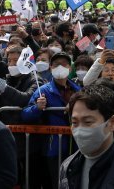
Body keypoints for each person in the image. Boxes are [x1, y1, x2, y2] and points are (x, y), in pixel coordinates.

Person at [22, 52, 80, 189]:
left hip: (78, 146)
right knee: (57, 182)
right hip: (54, 147)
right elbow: (25, 114)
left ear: (70, 68)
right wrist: (37, 108)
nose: (60, 67)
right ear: (51, 68)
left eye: (64, 64)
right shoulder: (43, 91)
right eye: (56, 64)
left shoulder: (78, 90)